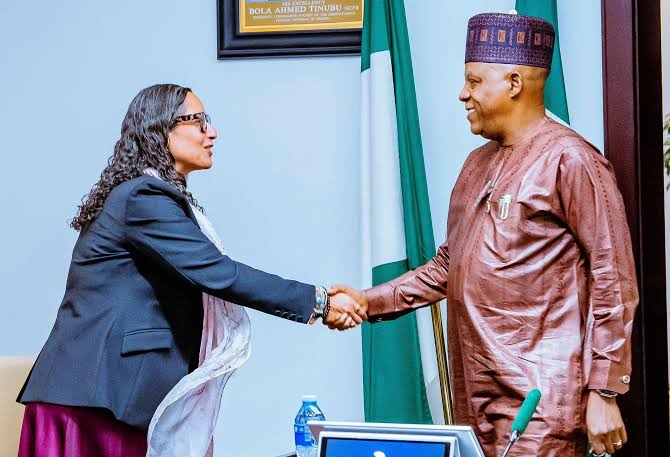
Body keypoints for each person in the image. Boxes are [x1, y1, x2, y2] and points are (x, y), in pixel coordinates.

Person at [330, 12, 638, 457]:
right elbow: (447, 266)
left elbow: (614, 279)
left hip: (542, 404)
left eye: (474, 81)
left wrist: (605, 392)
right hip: (474, 398)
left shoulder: (571, 160)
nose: (463, 93)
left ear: (513, 83)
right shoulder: (476, 164)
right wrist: (366, 301)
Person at [16, 84, 363, 457]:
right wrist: (320, 302)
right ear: (160, 128)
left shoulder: (148, 196)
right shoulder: (142, 197)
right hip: (93, 401)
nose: (212, 133)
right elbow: (220, 274)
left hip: (104, 397)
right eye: (198, 121)